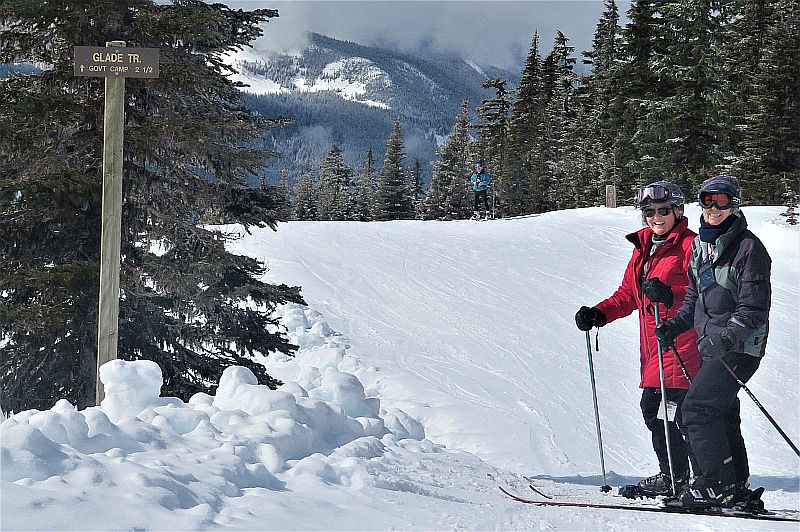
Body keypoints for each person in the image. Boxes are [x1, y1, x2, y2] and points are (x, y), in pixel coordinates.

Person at [574, 180, 701, 497]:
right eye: (649, 211)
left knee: (675, 415)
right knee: (656, 411)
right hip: (655, 348)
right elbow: (628, 295)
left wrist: (672, 295)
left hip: (682, 345)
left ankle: (694, 480)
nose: (656, 217)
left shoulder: (691, 247)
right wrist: (599, 314)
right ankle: (676, 476)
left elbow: (707, 294)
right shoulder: (644, 250)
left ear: (677, 211)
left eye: (662, 210)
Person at [655, 175, 771, 509]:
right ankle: (734, 483)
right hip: (714, 345)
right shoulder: (700, 247)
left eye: (721, 201)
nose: (714, 208)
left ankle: (713, 485)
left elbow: (753, 308)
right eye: (707, 200)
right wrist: (676, 324)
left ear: (734, 204)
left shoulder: (749, 248)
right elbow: (695, 296)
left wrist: (726, 337)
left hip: (739, 347)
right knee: (720, 410)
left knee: (696, 409)